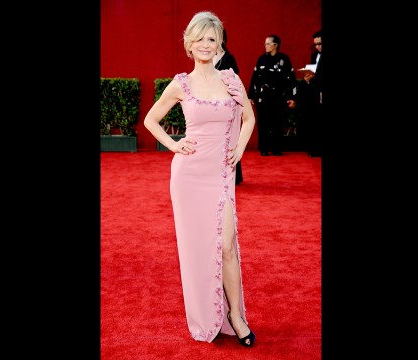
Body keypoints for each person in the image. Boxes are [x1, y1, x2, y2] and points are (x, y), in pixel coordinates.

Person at [144, 11, 257, 347]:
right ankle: (208, 316)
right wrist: (174, 145)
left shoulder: (231, 80)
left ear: (218, 43)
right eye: (200, 39)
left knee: (226, 246)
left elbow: (249, 118)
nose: (206, 44)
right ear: (189, 44)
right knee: (197, 249)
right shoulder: (181, 83)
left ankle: (235, 316)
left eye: (212, 38)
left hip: (220, 175)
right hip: (188, 176)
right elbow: (152, 120)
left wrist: (239, 147)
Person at [248, 34, 296, 156]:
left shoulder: (284, 60)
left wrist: (292, 97)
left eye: (268, 43)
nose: (266, 46)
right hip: (264, 96)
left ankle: (277, 148)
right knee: (263, 122)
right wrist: (251, 96)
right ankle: (264, 149)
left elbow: (291, 79)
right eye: (265, 44)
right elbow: (255, 78)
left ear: (276, 45)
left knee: (277, 122)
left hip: (279, 96)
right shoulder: (261, 59)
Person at [214, 29, 244, 185]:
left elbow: (235, 81)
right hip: (212, 105)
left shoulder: (228, 58)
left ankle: (234, 175)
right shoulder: (208, 57)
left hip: (228, 105)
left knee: (230, 140)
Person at [296, 30, 323, 157]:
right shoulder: (314, 56)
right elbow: (313, 73)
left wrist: (315, 77)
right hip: (315, 93)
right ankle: (315, 148)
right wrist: (307, 79)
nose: (317, 46)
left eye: (320, 44)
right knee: (315, 120)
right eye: (315, 44)